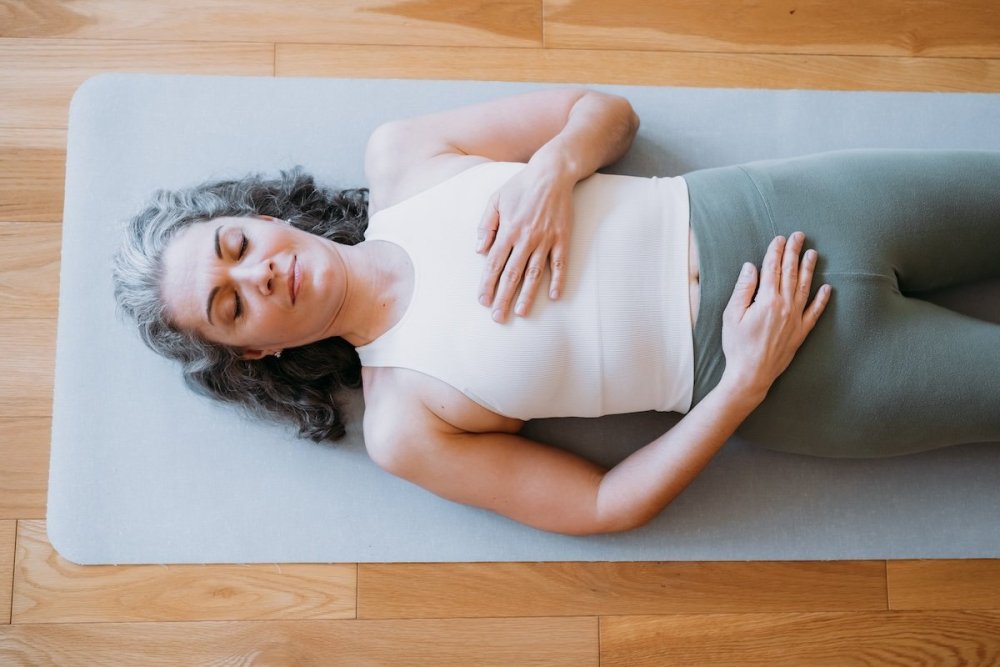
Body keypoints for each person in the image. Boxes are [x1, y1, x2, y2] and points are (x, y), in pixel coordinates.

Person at [113, 88, 1000, 536]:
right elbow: (605, 503)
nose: (258, 276)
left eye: (236, 245)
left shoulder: (407, 157)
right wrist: (742, 383)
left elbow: (605, 110)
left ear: (262, 217)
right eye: (230, 307)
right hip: (809, 374)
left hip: (789, 209)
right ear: (255, 356)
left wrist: (551, 171)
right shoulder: (402, 424)